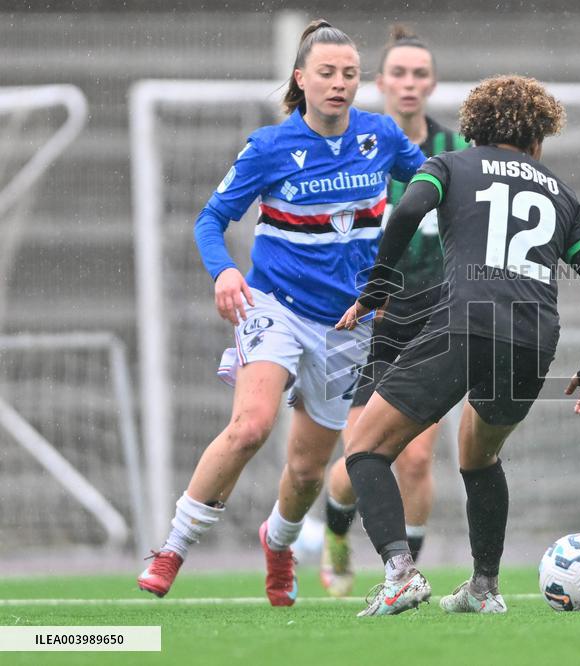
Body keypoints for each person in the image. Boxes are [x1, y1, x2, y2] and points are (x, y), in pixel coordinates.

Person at [136, 19, 425, 607]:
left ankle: (279, 542)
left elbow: (434, 181)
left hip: (347, 325)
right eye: (326, 73)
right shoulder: (270, 148)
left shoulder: (382, 137)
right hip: (276, 307)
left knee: (304, 473)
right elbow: (209, 221)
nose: (339, 83)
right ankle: (172, 548)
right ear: (301, 78)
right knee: (250, 426)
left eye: (348, 74)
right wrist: (224, 271)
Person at [335, 75, 580, 616]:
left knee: (366, 449)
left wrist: (375, 291)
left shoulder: (449, 165)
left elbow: (406, 212)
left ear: (472, 131)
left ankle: (400, 573)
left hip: (465, 321)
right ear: (538, 139)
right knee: (480, 456)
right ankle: (484, 587)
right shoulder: (561, 193)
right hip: (534, 338)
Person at [320, 24, 469, 598]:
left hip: (431, 316)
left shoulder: (456, 154)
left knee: (416, 456)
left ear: (432, 84)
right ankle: (336, 531)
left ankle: (404, 572)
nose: (409, 84)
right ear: (380, 83)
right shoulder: (355, 150)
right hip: (364, 320)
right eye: (398, 74)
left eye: (419, 74)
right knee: (359, 455)